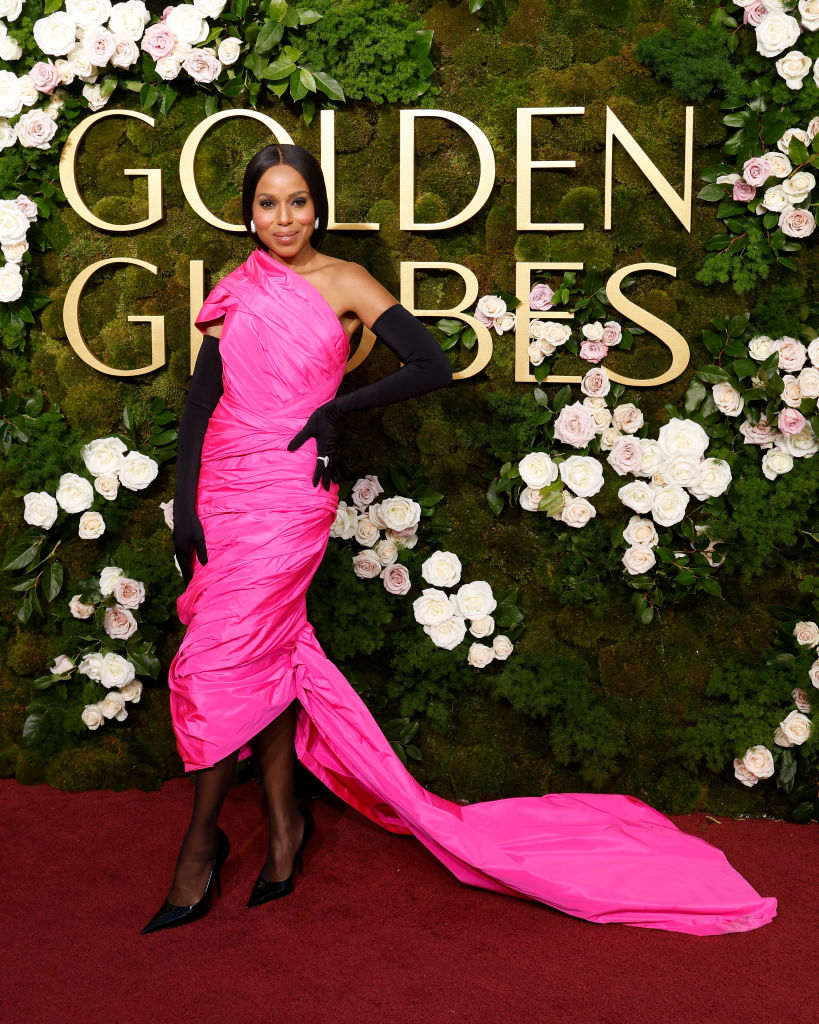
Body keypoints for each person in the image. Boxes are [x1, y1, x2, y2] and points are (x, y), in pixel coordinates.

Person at [141, 143, 776, 937]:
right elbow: (201, 405)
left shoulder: (346, 283)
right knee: (260, 652)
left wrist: (338, 411)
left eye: (297, 201)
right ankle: (283, 826)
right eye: (267, 203)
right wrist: (185, 503)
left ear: (318, 206)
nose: (283, 218)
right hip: (225, 486)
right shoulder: (237, 287)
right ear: (247, 212)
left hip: (291, 493)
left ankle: (199, 845)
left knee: (217, 663)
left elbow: (431, 362)